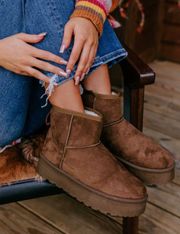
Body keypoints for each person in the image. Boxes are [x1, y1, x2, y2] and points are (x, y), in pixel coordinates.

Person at [0, 0, 174, 217]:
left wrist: (89, 12)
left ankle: (97, 117)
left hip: (42, 97)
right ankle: (82, 129)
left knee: (82, 7)